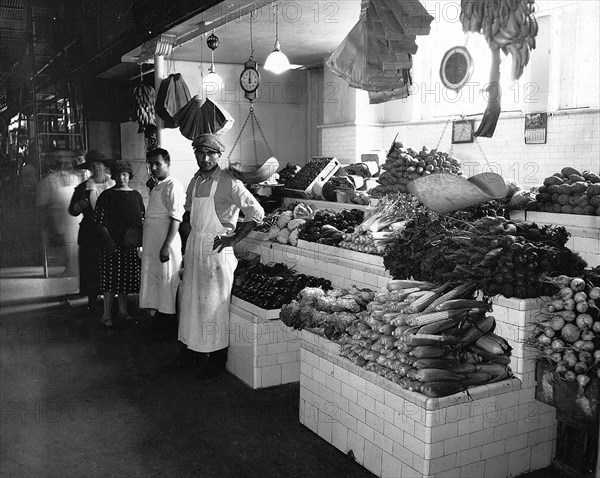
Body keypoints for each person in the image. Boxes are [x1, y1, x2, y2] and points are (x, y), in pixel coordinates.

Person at [165, 133, 264, 380]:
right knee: (190, 303)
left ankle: (216, 360)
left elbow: (256, 212)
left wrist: (232, 239)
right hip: (197, 245)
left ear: (219, 156)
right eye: (200, 153)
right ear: (196, 154)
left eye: (211, 154)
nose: (205, 158)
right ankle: (190, 352)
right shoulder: (195, 181)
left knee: (213, 307)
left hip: (217, 249)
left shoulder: (230, 183)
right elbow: (188, 215)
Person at [139, 148, 185, 337]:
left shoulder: (173, 185)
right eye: (151, 164)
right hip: (153, 244)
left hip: (166, 246)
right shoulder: (158, 185)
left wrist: (166, 246)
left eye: (158, 163)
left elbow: (176, 219)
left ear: (168, 163)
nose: (154, 167)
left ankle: (166, 329)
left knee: (166, 285)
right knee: (157, 285)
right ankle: (159, 324)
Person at [95, 160, 145, 327]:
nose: (122, 177)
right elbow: (100, 222)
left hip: (129, 246)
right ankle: (106, 314)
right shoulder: (106, 196)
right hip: (111, 244)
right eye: (118, 174)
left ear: (129, 176)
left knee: (124, 281)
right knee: (110, 281)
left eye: (125, 174)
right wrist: (109, 242)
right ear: (114, 176)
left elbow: (141, 221)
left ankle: (123, 312)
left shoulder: (136, 195)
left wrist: (138, 242)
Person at [68, 151, 115, 312]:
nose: (96, 167)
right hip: (90, 233)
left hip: (110, 232)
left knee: (109, 265)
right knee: (91, 266)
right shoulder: (83, 188)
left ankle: (111, 299)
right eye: (92, 165)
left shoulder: (114, 185)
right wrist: (78, 206)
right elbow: (72, 210)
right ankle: (92, 299)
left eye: (99, 164)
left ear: (104, 166)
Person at [36, 150, 82, 277]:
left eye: (68, 163)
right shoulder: (48, 181)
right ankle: (69, 268)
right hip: (57, 218)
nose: (65, 166)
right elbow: (43, 206)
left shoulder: (75, 178)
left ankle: (73, 269)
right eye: (61, 163)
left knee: (74, 246)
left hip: (74, 217)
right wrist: (50, 225)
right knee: (64, 245)